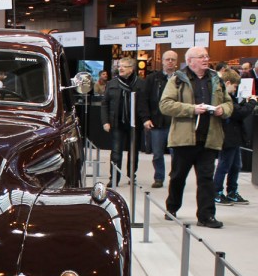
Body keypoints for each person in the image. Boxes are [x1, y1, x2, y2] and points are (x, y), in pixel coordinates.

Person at [159, 47, 234, 228]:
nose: (206, 59)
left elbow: (228, 102)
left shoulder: (216, 79)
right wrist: (192, 109)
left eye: (207, 56)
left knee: (206, 179)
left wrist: (224, 110)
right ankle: (172, 208)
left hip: (209, 139)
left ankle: (206, 216)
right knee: (178, 177)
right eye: (201, 57)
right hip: (184, 139)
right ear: (190, 60)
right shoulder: (177, 80)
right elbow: (165, 105)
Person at [137, 50, 178, 188]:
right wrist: (146, 118)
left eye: (173, 59)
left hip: (175, 123)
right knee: (157, 154)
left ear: (176, 62)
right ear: (163, 61)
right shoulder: (152, 79)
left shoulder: (181, 79)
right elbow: (143, 99)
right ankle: (159, 177)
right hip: (157, 122)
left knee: (176, 155)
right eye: (168, 59)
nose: (170, 62)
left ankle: (175, 178)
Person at [100, 57, 145, 185]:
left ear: (131, 69)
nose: (120, 68)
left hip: (135, 124)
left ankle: (132, 176)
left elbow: (144, 104)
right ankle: (114, 178)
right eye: (119, 66)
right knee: (116, 152)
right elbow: (105, 104)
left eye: (124, 66)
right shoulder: (112, 83)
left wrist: (145, 119)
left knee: (133, 152)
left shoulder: (140, 83)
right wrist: (105, 121)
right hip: (117, 123)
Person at [214, 69, 255, 206]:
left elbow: (237, 109)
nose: (236, 89)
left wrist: (245, 102)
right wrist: (252, 103)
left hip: (234, 136)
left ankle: (232, 192)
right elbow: (237, 113)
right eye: (235, 86)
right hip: (227, 136)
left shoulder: (229, 96)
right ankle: (217, 192)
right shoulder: (223, 97)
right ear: (228, 83)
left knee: (236, 165)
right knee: (224, 165)